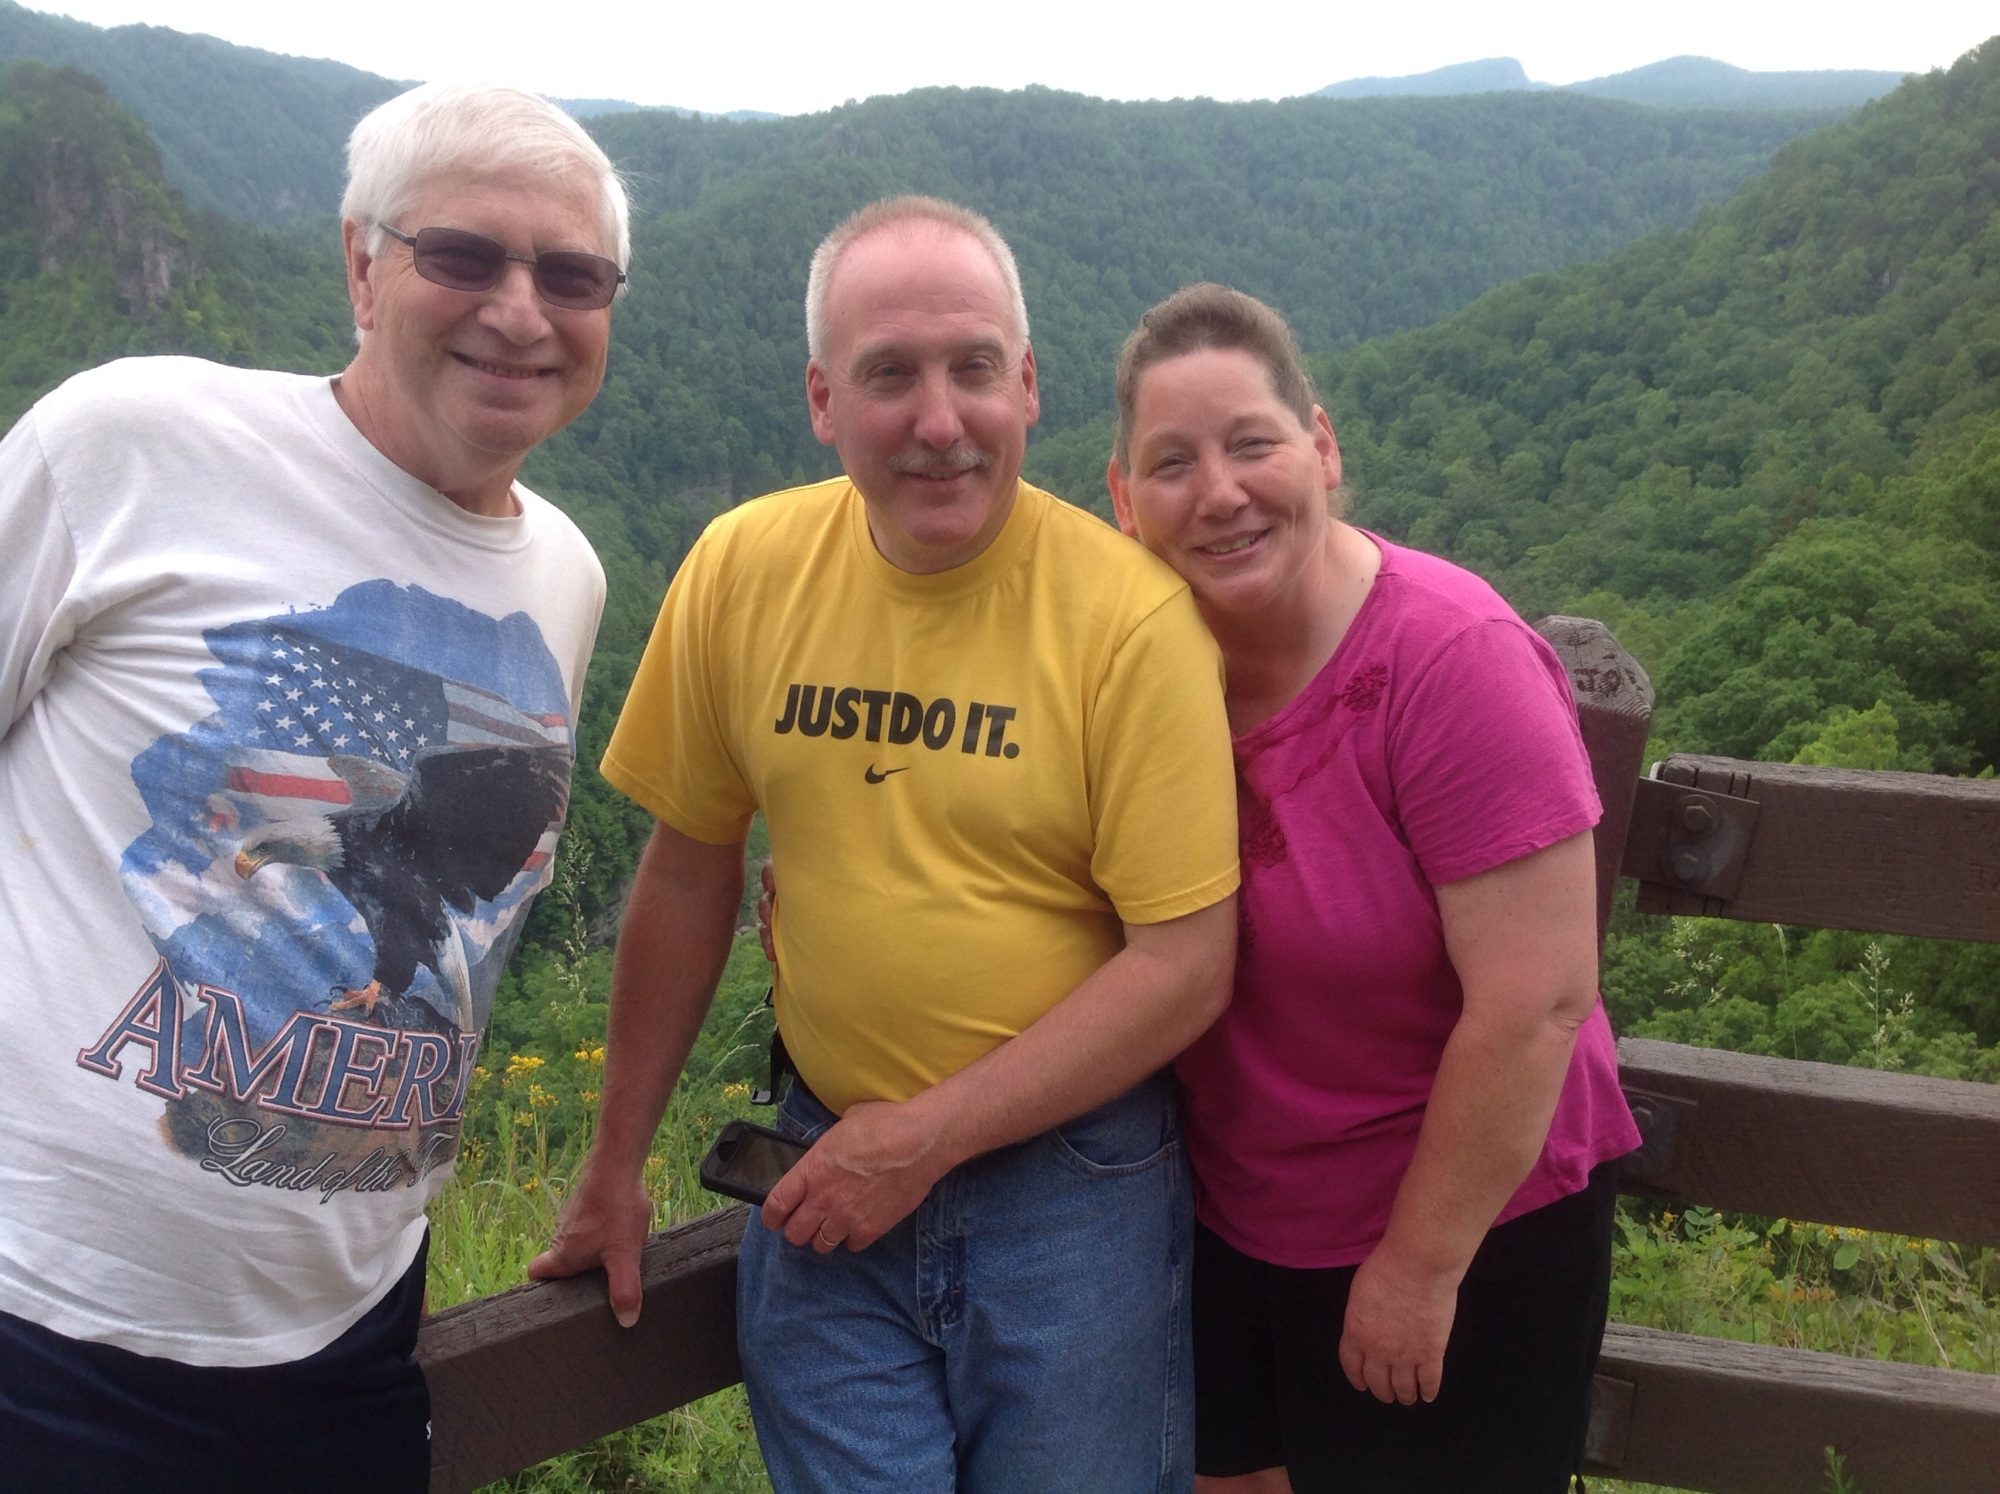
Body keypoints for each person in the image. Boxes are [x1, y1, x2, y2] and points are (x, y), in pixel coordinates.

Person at [531, 196, 1240, 1492]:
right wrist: (613, 1162)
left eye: (974, 367)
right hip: (825, 1180)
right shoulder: (743, 570)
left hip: (1072, 1193)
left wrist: (926, 1138)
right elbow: (688, 869)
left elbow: (1185, 962)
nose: (939, 419)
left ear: (1027, 385)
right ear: (822, 398)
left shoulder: (1131, 623)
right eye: (890, 374)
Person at [0, 82, 627, 1492]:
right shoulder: (128, 443)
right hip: (41, 1321)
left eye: (571, 276)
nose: (520, 311)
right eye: (461, 254)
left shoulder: (567, 578)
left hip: (347, 1343)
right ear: (361, 263)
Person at [1103, 284, 1642, 1494]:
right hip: (1232, 1213)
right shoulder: (1137, 666)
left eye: (1251, 443)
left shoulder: (1448, 659)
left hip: (1466, 1222)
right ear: (1123, 500)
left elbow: (1537, 1003)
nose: (1219, 492)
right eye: (1172, 463)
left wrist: (1417, 1267)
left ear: (1322, 446)